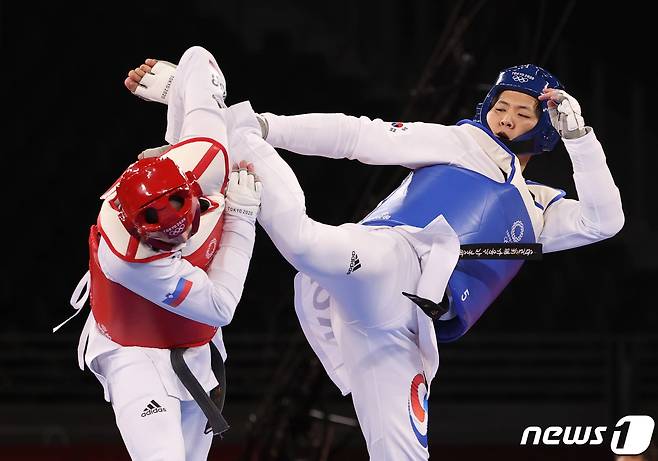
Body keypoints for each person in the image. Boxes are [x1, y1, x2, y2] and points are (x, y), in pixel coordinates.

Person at [126, 53, 624, 460]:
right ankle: (220, 119)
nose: (507, 118)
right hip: (390, 258)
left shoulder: (540, 211)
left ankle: (216, 121)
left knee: (401, 456)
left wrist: (582, 140)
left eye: (524, 113)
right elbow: (358, 136)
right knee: (303, 242)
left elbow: (606, 221)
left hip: (402, 329)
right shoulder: (462, 141)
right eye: (502, 106)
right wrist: (264, 123)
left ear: (545, 128)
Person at [67, 48, 262, 461]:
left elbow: (199, 59)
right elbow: (221, 305)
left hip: (195, 346)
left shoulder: (204, 157)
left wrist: (176, 92)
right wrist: (242, 218)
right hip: (133, 349)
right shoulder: (129, 259)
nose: (179, 247)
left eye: (184, 233)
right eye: (167, 245)